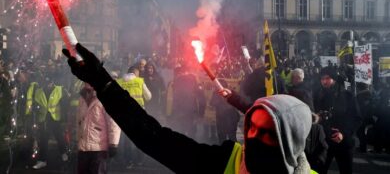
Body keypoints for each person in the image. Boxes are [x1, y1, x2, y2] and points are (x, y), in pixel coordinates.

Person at [63, 44, 314, 174]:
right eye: (252, 128)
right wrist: (103, 82)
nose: (253, 139)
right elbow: (152, 136)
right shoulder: (225, 162)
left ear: (290, 144)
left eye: (267, 133)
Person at [313, 67, 361, 174]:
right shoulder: (318, 94)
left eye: (327, 78)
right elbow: (313, 113)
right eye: (322, 79)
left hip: (344, 142)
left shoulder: (347, 95)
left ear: (334, 79)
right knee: (318, 170)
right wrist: (316, 117)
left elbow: (356, 118)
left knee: (346, 171)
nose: (324, 81)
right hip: (324, 141)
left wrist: (343, 134)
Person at [26, 75, 69, 169]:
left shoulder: (59, 90)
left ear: (53, 82)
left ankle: (63, 153)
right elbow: (35, 104)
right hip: (44, 119)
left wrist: (64, 118)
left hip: (55, 118)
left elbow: (65, 104)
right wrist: (34, 110)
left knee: (59, 137)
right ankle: (42, 160)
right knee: (44, 140)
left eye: (49, 82)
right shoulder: (39, 92)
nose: (48, 84)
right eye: (46, 82)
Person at [77, 83, 121, 174]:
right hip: (83, 147)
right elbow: (79, 119)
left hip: (99, 148)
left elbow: (113, 122)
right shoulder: (82, 96)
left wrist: (113, 144)